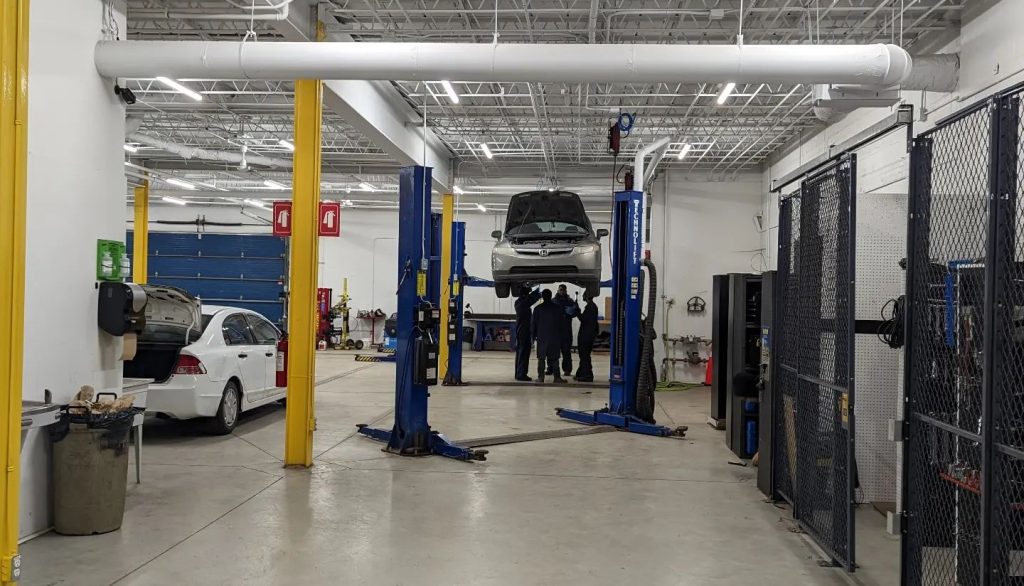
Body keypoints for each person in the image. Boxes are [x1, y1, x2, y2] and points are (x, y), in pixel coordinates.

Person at [531, 289, 565, 383]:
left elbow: (534, 324)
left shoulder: (537, 309)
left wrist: (533, 336)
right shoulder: (557, 308)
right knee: (554, 358)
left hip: (542, 337)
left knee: (541, 358)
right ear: (550, 296)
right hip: (555, 336)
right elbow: (562, 324)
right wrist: (561, 336)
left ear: (542, 296)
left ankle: (541, 378)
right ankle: (557, 377)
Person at [513, 285, 542, 381]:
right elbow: (530, 300)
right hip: (524, 332)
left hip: (521, 331)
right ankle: (521, 374)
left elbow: (529, 299)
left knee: (520, 353)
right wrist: (538, 293)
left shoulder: (518, 302)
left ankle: (519, 373)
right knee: (524, 353)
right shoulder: (522, 303)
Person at [552, 284, 579, 377]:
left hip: (566, 331)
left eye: (563, 290)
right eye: (560, 290)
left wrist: (574, 309)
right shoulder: (554, 301)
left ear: (566, 290)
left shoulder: (570, 301)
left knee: (566, 352)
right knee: (553, 352)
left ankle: (567, 370)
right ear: (558, 290)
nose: (562, 291)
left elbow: (575, 313)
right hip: (556, 331)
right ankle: (551, 369)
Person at [574, 291, 598, 382]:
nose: (583, 296)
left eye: (584, 295)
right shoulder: (592, 306)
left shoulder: (590, 307)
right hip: (589, 335)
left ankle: (587, 375)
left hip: (586, 335)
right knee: (584, 355)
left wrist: (577, 311)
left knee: (584, 355)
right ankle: (581, 373)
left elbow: (584, 320)